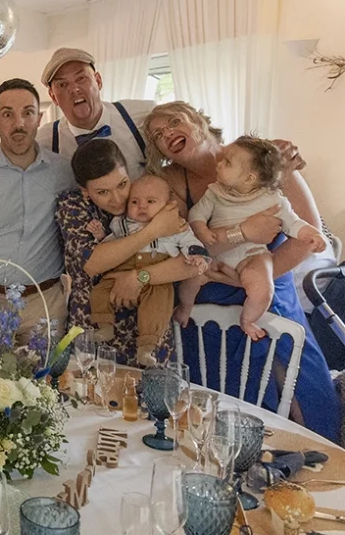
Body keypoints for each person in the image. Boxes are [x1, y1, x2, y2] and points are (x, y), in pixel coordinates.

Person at [143, 101, 340, 440]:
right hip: (211, 291)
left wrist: (254, 276)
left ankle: (314, 467)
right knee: (228, 401)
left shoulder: (263, 158)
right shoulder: (172, 182)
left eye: (175, 122)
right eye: (157, 135)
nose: (168, 134)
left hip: (269, 283)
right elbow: (191, 246)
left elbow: (309, 236)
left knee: (299, 387)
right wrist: (243, 233)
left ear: (199, 121)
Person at [0, 78, 76, 345]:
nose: (18, 123)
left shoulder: (64, 173)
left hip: (47, 304)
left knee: (49, 385)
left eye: (28, 112)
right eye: (7, 114)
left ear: (39, 117)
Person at [56, 139, 195, 366]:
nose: (117, 198)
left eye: (122, 184)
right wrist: (154, 229)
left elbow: (189, 262)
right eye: (102, 192)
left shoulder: (149, 195)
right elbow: (92, 263)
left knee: (158, 399)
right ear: (86, 192)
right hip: (97, 326)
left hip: (151, 330)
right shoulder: (73, 206)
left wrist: (139, 278)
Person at [188, 136, 327, 340]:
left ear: (248, 178)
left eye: (227, 163)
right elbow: (196, 215)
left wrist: (311, 234)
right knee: (189, 279)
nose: (219, 164)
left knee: (262, 289)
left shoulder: (272, 198)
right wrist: (201, 229)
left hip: (252, 257)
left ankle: (249, 319)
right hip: (218, 260)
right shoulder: (215, 192)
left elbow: (294, 223)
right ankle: (184, 308)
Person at [88, 174, 209, 366]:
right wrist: (101, 235)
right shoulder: (122, 223)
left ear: (168, 205)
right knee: (99, 292)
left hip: (157, 273)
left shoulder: (175, 225)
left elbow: (189, 242)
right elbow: (113, 243)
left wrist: (196, 255)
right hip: (124, 268)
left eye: (151, 201)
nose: (142, 206)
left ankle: (147, 348)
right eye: (135, 201)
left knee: (157, 306)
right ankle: (105, 326)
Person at [36, 47, 154, 178]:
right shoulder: (45, 142)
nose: (74, 89)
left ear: (98, 81)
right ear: (53, 97)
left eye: (81, 78)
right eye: (62, 85)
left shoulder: (142, 115)